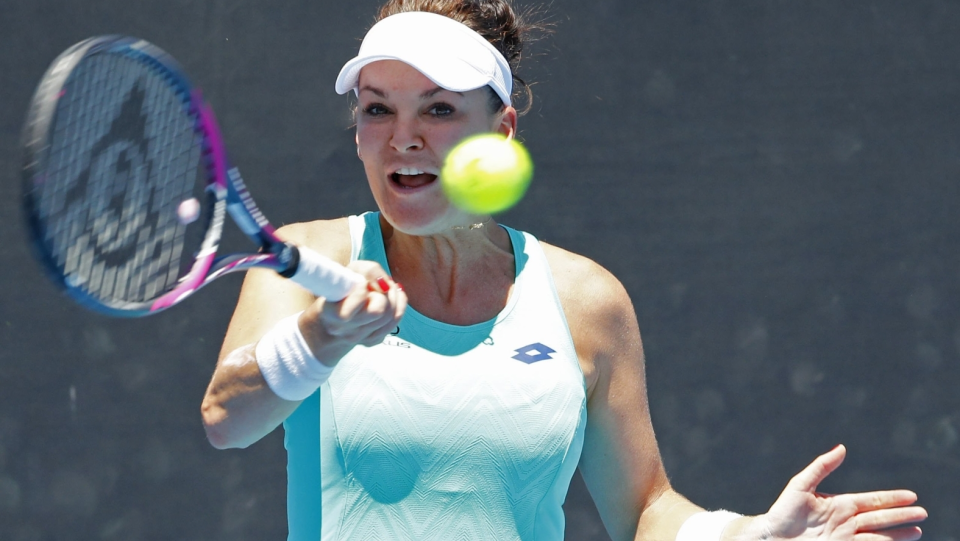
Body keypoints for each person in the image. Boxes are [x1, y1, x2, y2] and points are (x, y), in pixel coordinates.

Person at [200, 1, 928, 539]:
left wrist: (753, 532)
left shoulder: (585, 300)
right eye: (377, 110)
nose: (404, 138)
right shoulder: (309, 261)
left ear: (501, 131)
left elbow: (644, 507)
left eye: (440, 108)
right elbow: (225, 418)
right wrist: (321, 335)